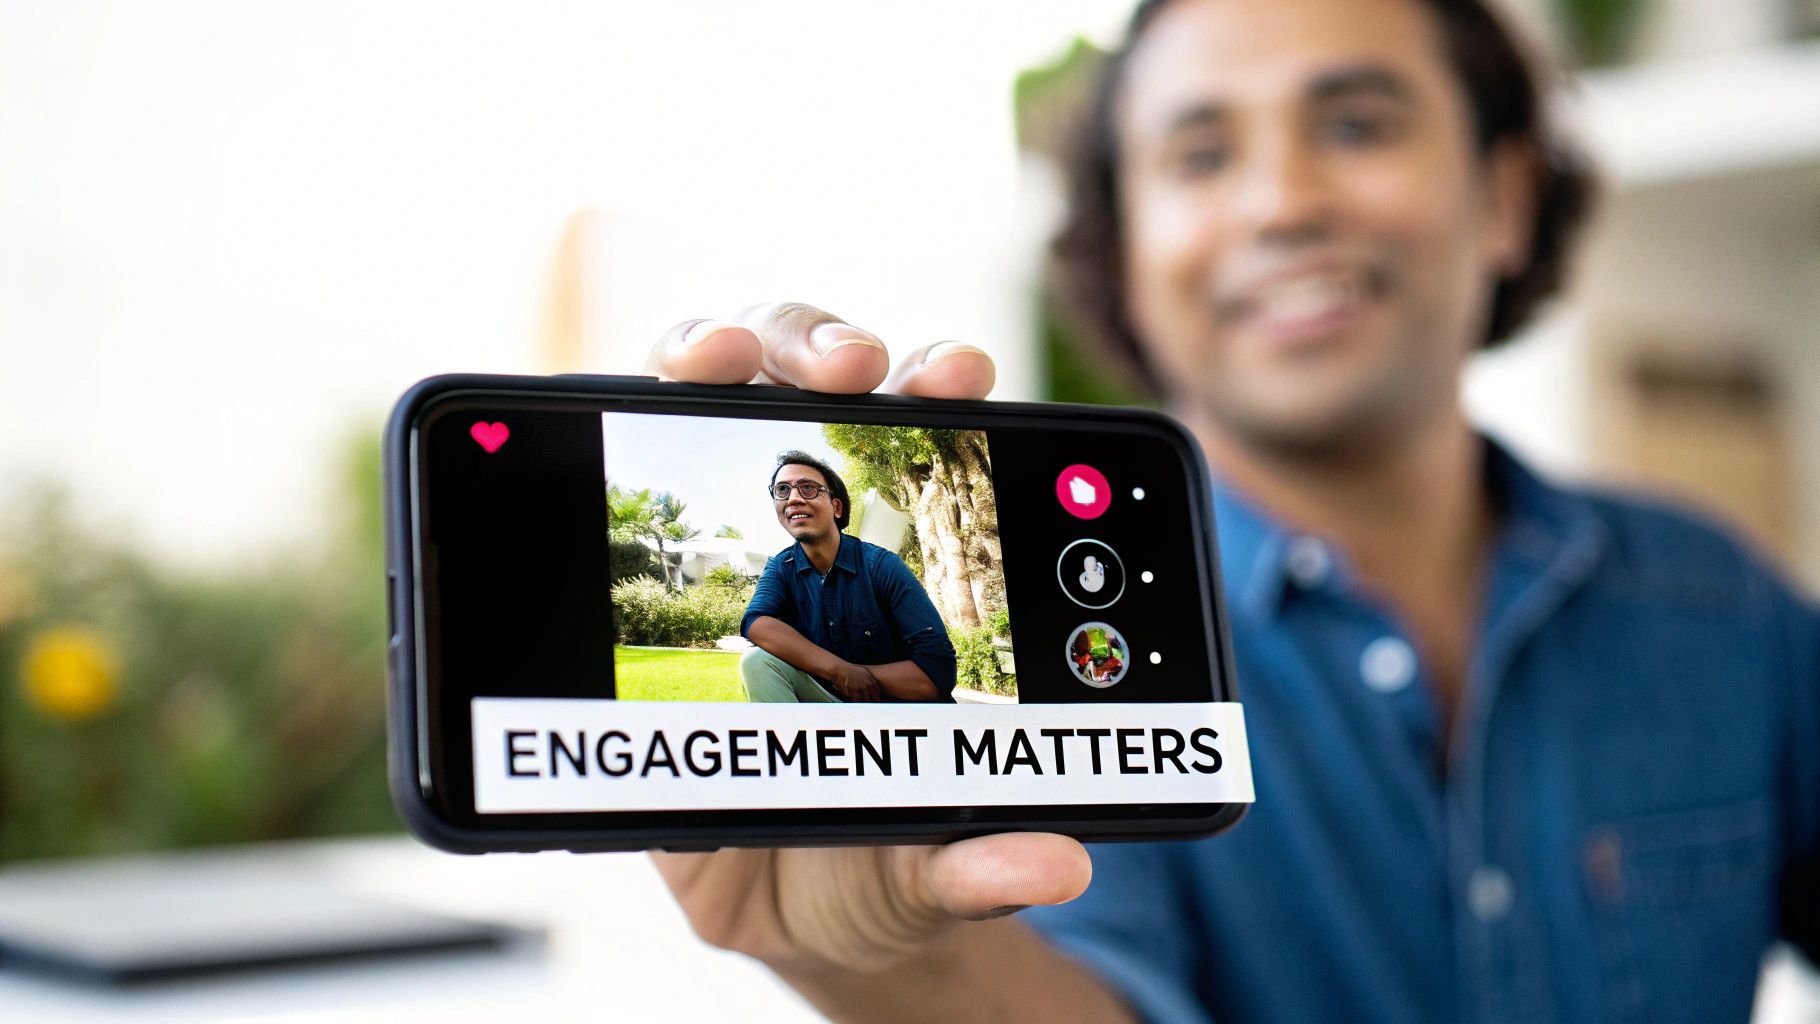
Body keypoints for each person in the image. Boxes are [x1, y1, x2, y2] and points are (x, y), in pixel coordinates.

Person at [637, 0, 1820, 1020]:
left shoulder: (1721, 609)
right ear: (1127, 253)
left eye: (1355, 125)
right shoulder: (1071, 660)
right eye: (1199, 156)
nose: (1278, 203)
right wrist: (864, 963)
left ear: (1503, 195)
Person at [739, 451, 957, 704]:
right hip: (829, 710)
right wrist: (838, 672)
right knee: (757, 663)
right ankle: (791, 744)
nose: (794, 499)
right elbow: (756, 622)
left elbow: (936, 676)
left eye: (808, 488)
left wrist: (856, 676)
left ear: (837, 507)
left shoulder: (881, 566)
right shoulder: (780, 567)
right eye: (782, 490)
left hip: (899, 718)